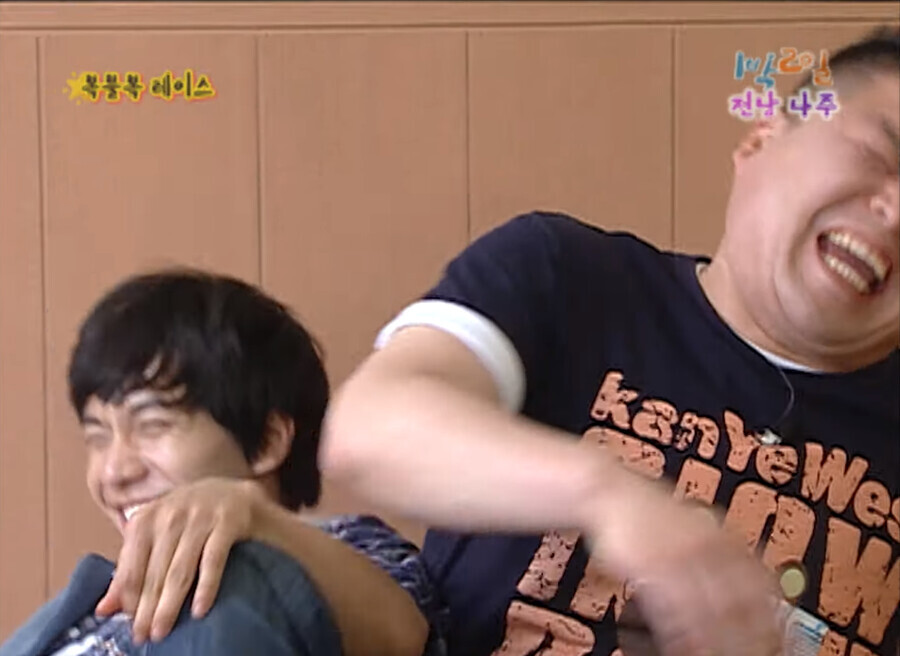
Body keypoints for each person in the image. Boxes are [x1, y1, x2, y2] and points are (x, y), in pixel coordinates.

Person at [318, 26, 900, 656]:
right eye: (878, 154)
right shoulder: (569, 276)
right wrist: (608, 495)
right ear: (760, 143)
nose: (896, 212)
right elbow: (370, 428)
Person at [0, 270, 437, 656]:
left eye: (152, 425)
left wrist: (257, 518)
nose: (114, 472)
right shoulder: (85, 605)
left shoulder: (354, 551)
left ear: (266, 442)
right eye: (98, 436)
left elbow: (404, 634)